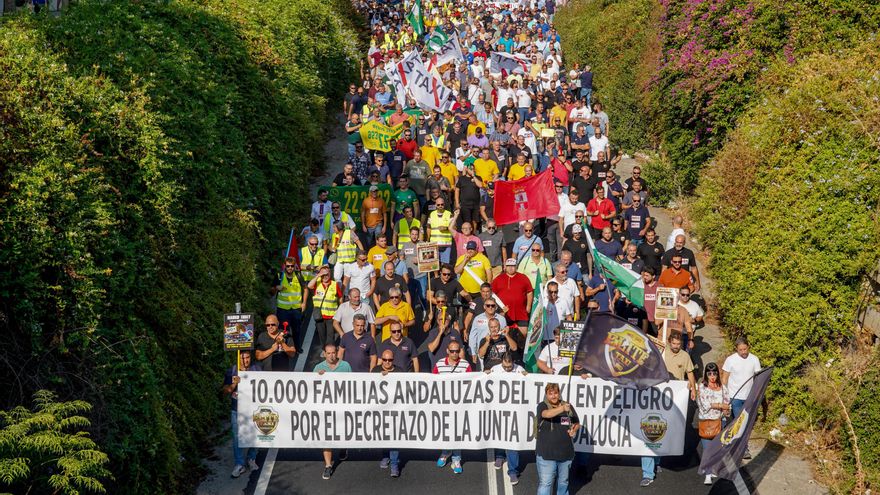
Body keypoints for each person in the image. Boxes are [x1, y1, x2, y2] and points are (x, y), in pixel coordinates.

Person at [641, 331, 697, 486]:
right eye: (674, 344)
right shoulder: (662, 352)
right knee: (651, 430)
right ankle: (647, 472)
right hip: (657, 396)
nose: (676, 347)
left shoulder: (685, 356)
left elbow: (690, 373)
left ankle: (658, 460)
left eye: (679, 344)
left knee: (665, 430)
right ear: (669, 342)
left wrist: (693, 389)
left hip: (676, 398)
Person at [485, 351, 527, 485]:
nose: (508, 369)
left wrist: (528, 377)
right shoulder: (495, 369)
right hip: (499, 409)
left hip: (515, 410)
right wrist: (485, 375)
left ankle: (513, 471)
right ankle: (499, 455)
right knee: (499, 434)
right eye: (505, 366)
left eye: (510, 367)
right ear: (502, 362)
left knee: (512, 440)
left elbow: (528, 384)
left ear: (513, 363)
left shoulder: (519, 370)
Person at [433, 341, 472, 474]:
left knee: (457, 432)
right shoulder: (439, 364)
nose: (455, 353)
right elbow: (432, 382)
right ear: (447, 351)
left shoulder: (465, 365)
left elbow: (471, 383)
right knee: (444, 431)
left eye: (457, 351)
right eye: (452, 351)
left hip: (459, 405)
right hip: (443, 405)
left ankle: (456, 458)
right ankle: (445, 453)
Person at [314, 343, 351, 480]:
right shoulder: (318, 368)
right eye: (328, 353)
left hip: (342, 407)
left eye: (333, 353)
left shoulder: (346, 366)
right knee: (327, 436)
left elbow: (353, 384)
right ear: (324, 354)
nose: (331, 355)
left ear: (337, 353)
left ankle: (343, 447)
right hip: (326, 409)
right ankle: (328, 466)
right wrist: (317, 377)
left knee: (341, 432)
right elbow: (311, 387)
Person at [535, 382, 580, 495]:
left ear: (559, 394)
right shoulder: (542, 405)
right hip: (546, 454)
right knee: (545, 484)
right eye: (550, 393)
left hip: (566, 454)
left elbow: (577, 423)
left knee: (563, 482)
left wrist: (574, 430)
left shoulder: (568, 406)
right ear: (546, 394)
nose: (554, 396)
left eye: (556, 393)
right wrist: (562, 409)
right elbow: (547, 414)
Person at [721, 336, 762, 459]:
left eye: (745, 349)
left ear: (748, 347)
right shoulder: (730, 360)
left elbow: (758, 378)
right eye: (741, 350)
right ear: (736, 349)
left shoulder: (754, 359)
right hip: (735, 396)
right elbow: (724, 379)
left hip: (749, 397)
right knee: (741, 423)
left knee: (740, 423)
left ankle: (732, 444)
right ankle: (743, 449)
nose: (744, 352)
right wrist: (724, 397)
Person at [224, 351, 262, 478]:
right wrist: (234, 383)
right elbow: (225, 390)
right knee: (237, 438)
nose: (245, 360)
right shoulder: (232, 371)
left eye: (247, 357)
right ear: (238, 358)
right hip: (237, 410)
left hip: (253, 409)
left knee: (255, 435)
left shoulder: (257, 369)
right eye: (243, 358)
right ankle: (239, 464)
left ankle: (251, 458)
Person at [372, 348, 404, 477]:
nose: (387, 362)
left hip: (395, 410)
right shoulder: (375, 370)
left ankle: (394, 464)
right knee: (383, 434)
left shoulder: (400, 372)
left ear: (393, 360)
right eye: (384, 360)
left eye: (390, 360)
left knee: (394, 436)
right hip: (380, 410)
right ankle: (385, 455)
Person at [697, 362, 730, 485]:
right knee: (707, 450)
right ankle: (708, 474)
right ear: (705, 374)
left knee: (717, 448)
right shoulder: (702, 387)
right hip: (707, 422)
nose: (712, 376)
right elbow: (704, 405)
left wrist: (726, 410)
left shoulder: (723, 388)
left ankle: (714, 469)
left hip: (720, 422)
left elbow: (727, 404)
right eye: (709, 373)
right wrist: (721, 405)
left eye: (714, 373)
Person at [273, 257, 307, 351]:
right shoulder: (279, 276)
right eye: (288, 266)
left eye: (292, 266)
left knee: (297, 330)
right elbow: (270, 291)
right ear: (284, 266)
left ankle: (297, 347)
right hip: (283, 309)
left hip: (296, 309)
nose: (290, 268)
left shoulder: (299, 275)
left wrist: (304, 303)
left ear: (294, 266)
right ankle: (284, 347)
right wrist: (276, 288)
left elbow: (305, 288)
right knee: (283, 330)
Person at [307, 266, 343, 351]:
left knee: (330, 336)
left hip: (331, 316)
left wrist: (341, 309)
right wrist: (318, 275)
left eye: (326, 274)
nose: (325, 276)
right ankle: (324, 350)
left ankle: (331, 350)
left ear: (330, 274)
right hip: (320, 316)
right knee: (322, 335)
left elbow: (340, 297)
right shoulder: (317, 283)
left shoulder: (334, 284)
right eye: (323, 274)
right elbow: (309, 286)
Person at [491, 258, 534, 328]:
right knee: (505, 334)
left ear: (516, 267)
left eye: (513, 266)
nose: (510, 268)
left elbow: (529, 292)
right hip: (504, 313)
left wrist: (528, 306)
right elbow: (492, 294)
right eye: (508, 266)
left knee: (523, 334)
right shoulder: (498, 279)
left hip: (521, 312)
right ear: (505, 267)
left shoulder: (523, 277)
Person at [427, 197, 454, 263]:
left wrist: (446, 228)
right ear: (435, 205)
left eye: (442, 204)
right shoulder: (432, 214)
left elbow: (455, 228)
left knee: (445, 265)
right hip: (434, 243)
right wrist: (428, 240)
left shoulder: (449, 214)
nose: (440, 206)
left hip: (446, 244)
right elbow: (428, 228)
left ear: (444, 204)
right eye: (438, 205)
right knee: (434, 264)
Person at [361, 185, 388, 249]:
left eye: (376, 191)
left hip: (378, 224)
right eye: (373, 191)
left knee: (379, 241)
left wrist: (384, 226)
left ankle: (378, 254)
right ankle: (370, 253)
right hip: (368, 225)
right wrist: (363, 225)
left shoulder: (381, 201)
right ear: (370, 192)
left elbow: (384, 213)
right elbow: (362, 213)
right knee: (369, 242)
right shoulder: (366, 201)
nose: (375, 193)